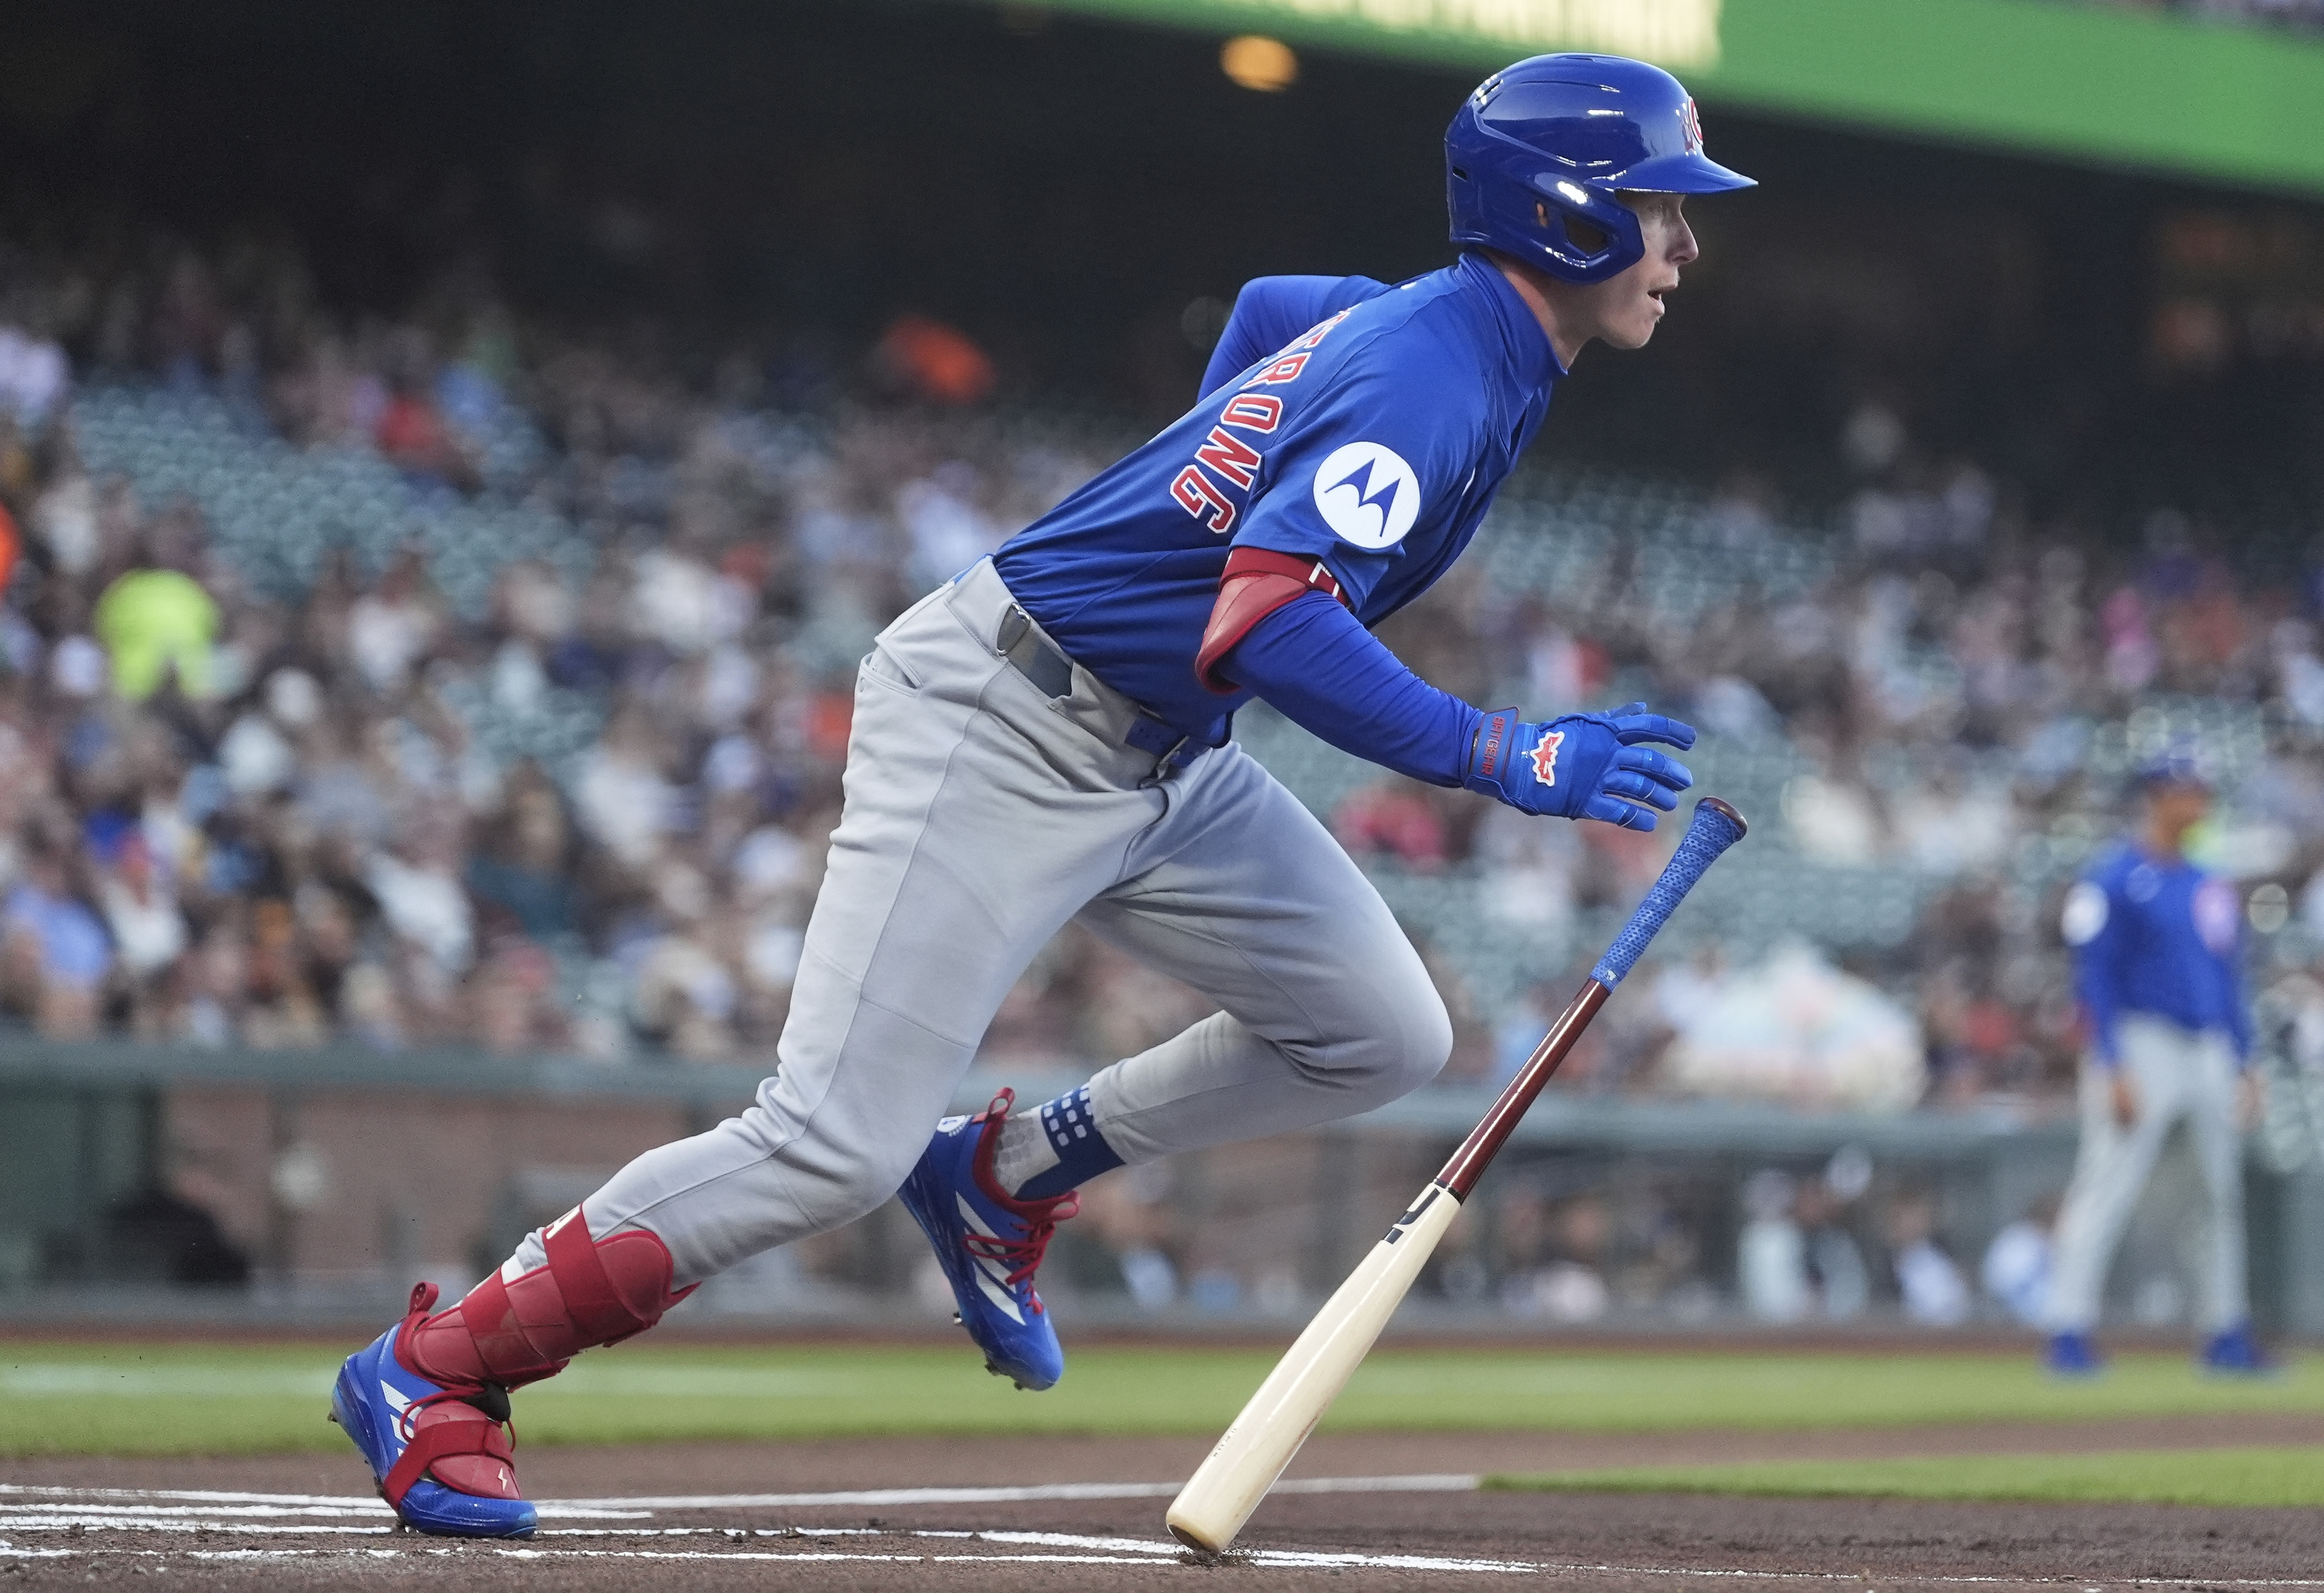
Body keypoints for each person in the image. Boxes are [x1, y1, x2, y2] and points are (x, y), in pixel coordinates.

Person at [329, 53, 1752, 1537]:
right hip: (1008, 716)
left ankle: (1004, 1173)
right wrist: (1505, 753)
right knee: (830, 1143)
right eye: (1661, 208)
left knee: (1381, 1031)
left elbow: (1270, 307)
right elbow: (1269, 618)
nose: (1684, 243)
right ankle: (437, 1367)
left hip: (1161, 752)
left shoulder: (1458, 338)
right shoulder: (1439, 369)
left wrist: (1206, 480)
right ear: (1566, 213)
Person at [2043, 750, 2268, 1376]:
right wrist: (2112, 1063)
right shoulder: (2114, 876)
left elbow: (2229, 977)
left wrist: (2247, 1060)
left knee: (2216, 1194)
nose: (2199, 800)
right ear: (2156, 796)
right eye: (2186, 789)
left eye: (2201, 789)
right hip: (2140, 1040)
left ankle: (2225, 1331)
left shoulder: (2207, 882)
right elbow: (2095, 976)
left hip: (2208, 1046)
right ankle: (2068, 1329)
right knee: (2106, 1184)